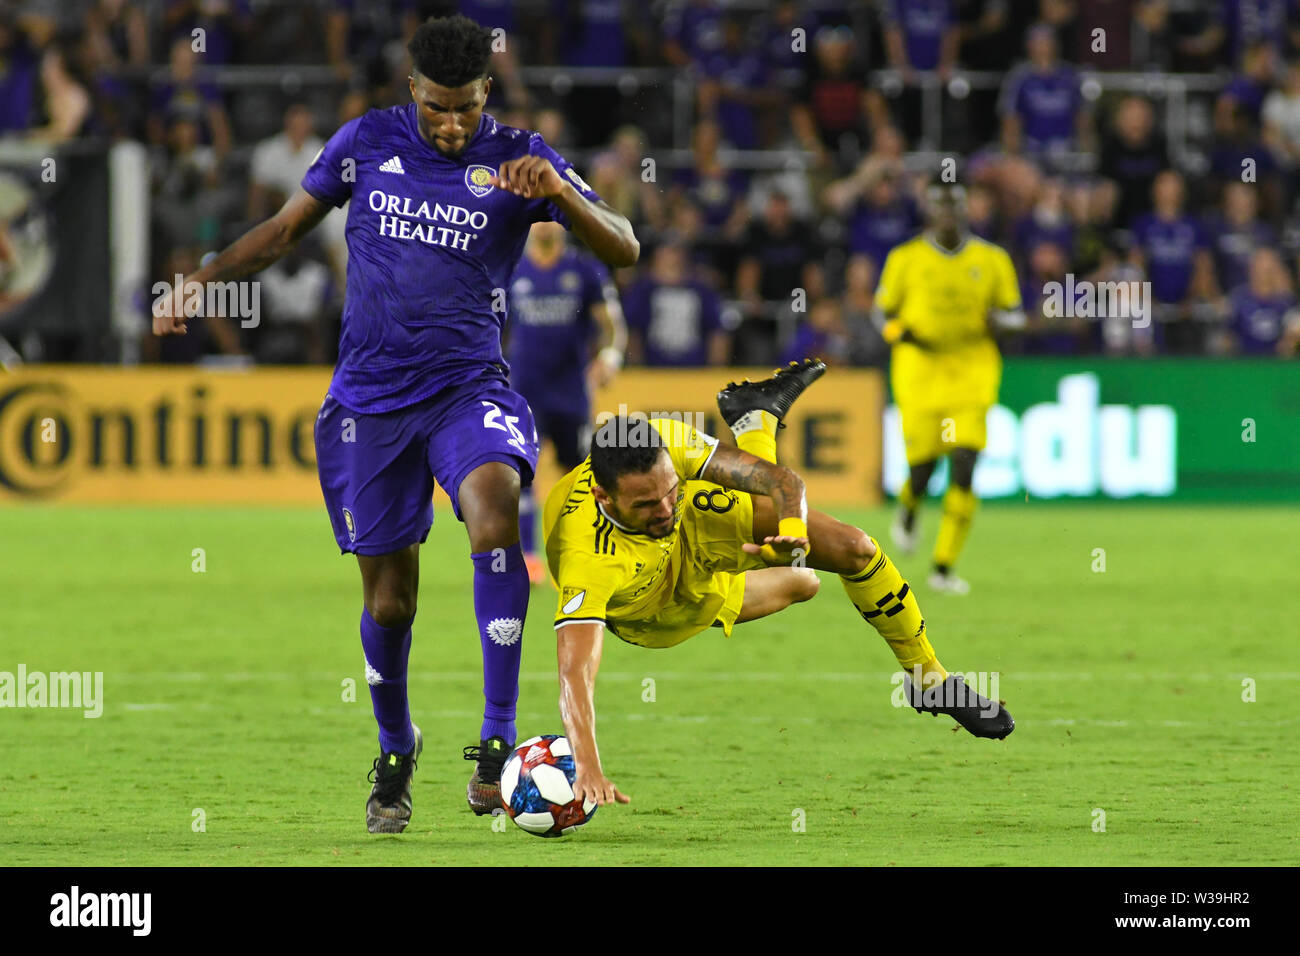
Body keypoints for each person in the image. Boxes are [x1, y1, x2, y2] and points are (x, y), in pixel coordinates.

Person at [152, 14, 638, 832]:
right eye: (439, 107)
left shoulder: (522, 158)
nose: (453, 125)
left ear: (490, 92)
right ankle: (395, 744)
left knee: (493, 513)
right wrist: (200, 282)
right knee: (390, 606)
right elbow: (280, 231)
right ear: (413, 88)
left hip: (467, 388)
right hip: (369, 404)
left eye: (468, 109)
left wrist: (558, 193)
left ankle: (497, 740)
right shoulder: (365, 144)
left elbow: (623, 247)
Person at [542, 361, 1014, 807]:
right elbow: (575, 673)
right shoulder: (590, 557)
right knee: (802, 582)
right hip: (659, 608)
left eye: (669, 489)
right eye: (646, 503)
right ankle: (756, 422)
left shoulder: (668, 446)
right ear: (604, 496)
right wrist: (587, 764)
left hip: (697, 526)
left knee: (855, 548)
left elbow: (781, 481)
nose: (664, 508)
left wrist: (792, 531)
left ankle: (928, 679)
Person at [876, 181, 1024, 595]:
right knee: (922, 470)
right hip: (920, 374)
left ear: (966, 210)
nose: (948, 213)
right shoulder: (905, 259)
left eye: (955, 205)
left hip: (972, 373)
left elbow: (1015, 313)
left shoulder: (992, 260)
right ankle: (907, 510)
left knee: (964, 463)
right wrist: (898, 333)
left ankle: (943, 568)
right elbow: (881, 312)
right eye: (941, 205)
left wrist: (1004, 324)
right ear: (929, 211)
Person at [507, 220, 627, 584]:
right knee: (521, 473)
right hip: (524, 390)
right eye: (539, 216)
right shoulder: (511, 266)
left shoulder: (584, 269)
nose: (545, 224)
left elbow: (612, 325)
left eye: (551, 216)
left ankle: (585, 551)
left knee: (580, 476)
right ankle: (528, 558)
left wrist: (609, 357)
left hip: (571, 390)